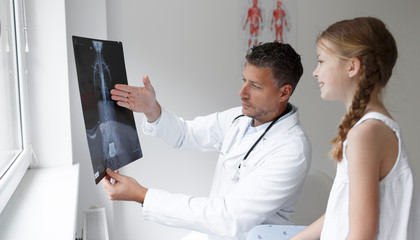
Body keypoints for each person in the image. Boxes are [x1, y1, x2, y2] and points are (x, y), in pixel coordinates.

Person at [101, 41, 311, 240]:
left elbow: (230, 218)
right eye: (243, 80)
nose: (242, 93)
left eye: (255, 86)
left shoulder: (291, 150)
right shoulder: (239, 119)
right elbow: (185, 135)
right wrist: (151, 109)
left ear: (284, 92)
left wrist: (142, 195)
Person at [291, 17, 420, 240]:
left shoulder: (366, 134)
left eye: (321, 61)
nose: (315, 72)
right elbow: (340, 213)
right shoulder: (370, 129)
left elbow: (362, 234)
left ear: (352, 66)